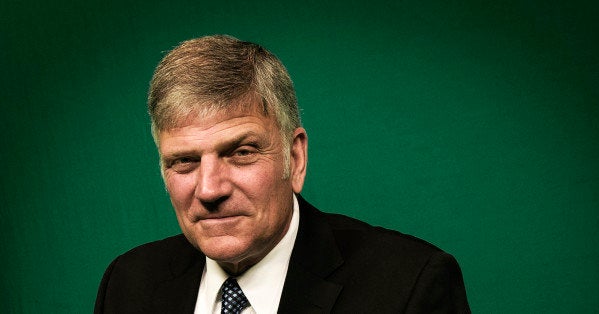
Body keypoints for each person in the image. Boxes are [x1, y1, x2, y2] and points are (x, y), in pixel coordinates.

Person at [95, 35, 470, 314]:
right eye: (185, 161)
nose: (209, 189)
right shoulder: (127, 287)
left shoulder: (410, 287)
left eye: (241, 152)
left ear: (296, 158)